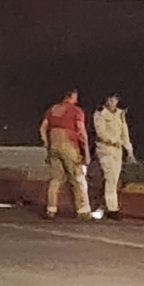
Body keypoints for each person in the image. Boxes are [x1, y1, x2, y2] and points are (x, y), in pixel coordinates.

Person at [39, 89, 91, 220]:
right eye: (75, 97)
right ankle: (83, 210)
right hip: (68, 144)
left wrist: (47, 143)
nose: (77, 100)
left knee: (55, 179)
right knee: (77, 177)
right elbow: (81, 132)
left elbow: (43, 128)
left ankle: (51, 209)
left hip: (53, 145)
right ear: (70, 96)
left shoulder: (52, 110)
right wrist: (87, 152)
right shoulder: (76, 111)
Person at [93, 94, 135, 219]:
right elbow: (101, 132)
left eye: (115, 99)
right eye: (110, 99)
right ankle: (112, 208)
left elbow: (125, 133)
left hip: (118, 151)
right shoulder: (100, 113)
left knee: (114, 180)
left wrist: (129, 150)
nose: (112, 102)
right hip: (105, 149)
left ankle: (105, 206)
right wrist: (114, 140)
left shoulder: (120, 114)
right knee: (110, 178)